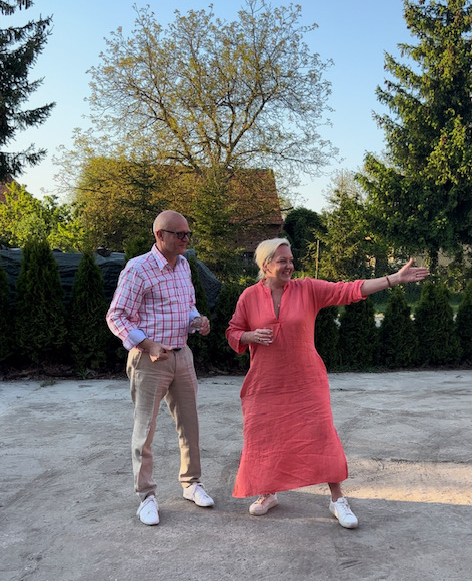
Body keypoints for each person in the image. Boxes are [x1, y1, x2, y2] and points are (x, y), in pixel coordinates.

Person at [225, 238, 429, 528]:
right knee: (265, 436)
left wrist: (393, 279)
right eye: (283, 261)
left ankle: (337, 498)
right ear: (265, 265)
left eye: (291, 260)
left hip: (306, 381)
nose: (290, 266)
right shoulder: (248, 297)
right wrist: (249, 336)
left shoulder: (307, 289)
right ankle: (268, 493)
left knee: (321, 436)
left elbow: (349, 290)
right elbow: (233, 331)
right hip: (266, 383)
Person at [106, 210, 214, 526]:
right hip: (149, 360)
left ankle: (191, 484)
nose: (185, 239)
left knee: (190, 426)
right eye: (180, 234)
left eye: (188, 234)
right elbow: (116, 316)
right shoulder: (137, 269)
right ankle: (146, 497)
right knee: (145, 432)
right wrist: (148, 345)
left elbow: (187, 306)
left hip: (182, 356)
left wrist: (197, 321)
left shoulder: (184, 266)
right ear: (160, 235)